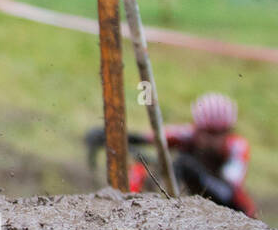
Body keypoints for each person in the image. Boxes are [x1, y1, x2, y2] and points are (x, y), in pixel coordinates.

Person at [88, 92, 256, 216]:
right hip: (199, 200)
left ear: (228, 131)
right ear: (198, 128)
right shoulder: (190, 135)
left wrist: (188, 169)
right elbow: (151, 137)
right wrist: (110, 136)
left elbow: (231, 184)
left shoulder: (237, 146)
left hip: (233, 205)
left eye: (218, 133)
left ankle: (171, 204)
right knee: (144, 167)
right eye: (207, 132)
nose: (210, 140)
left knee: (183, 163)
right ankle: (126, 208)